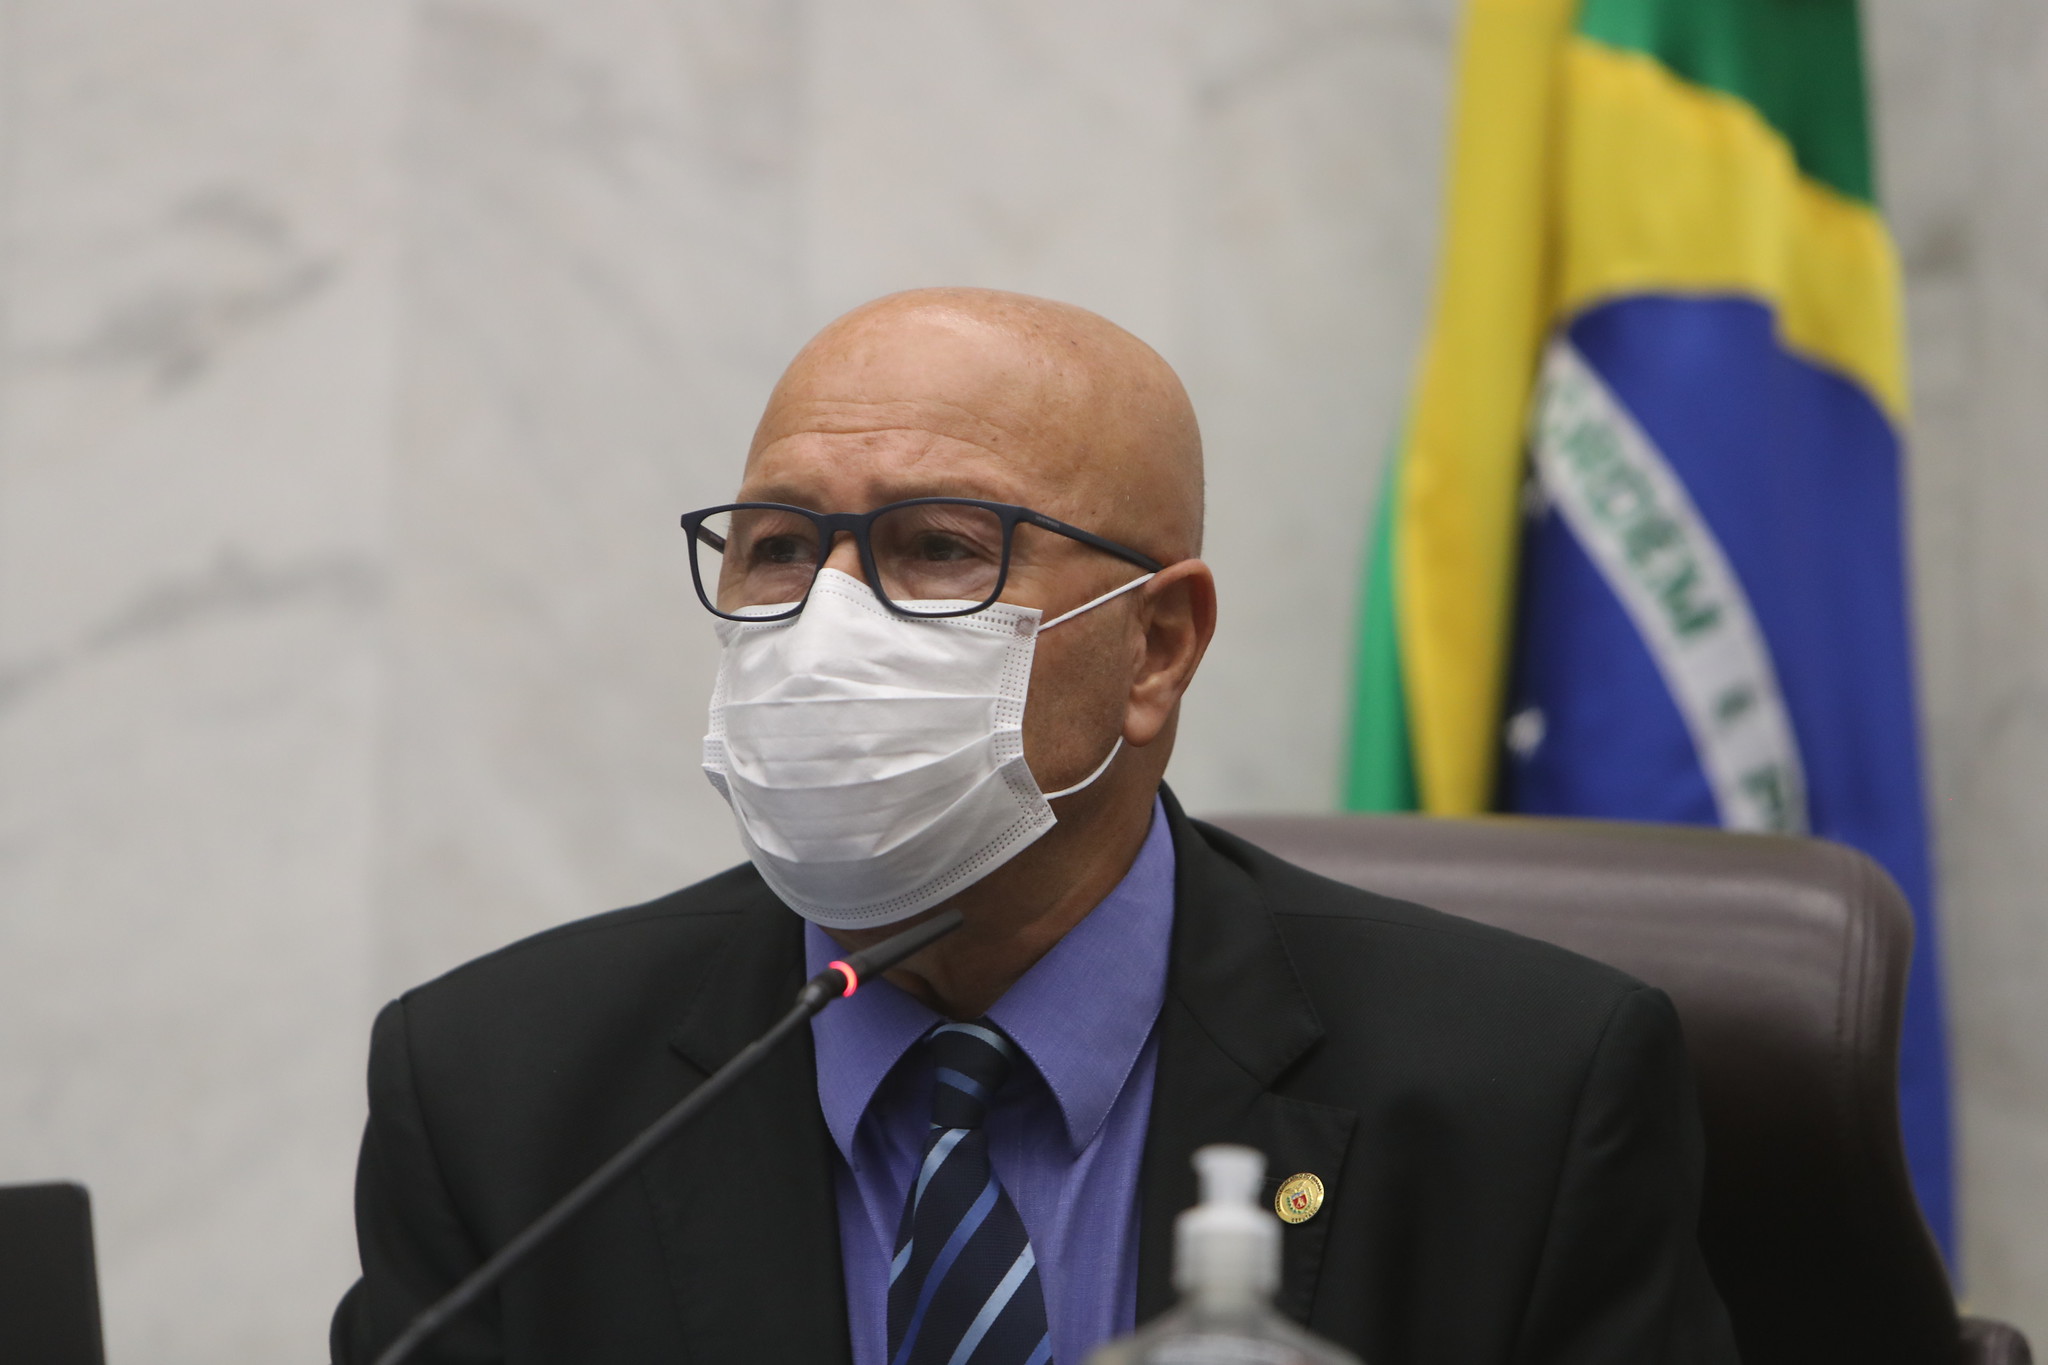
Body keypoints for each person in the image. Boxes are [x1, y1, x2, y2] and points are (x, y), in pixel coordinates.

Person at [331, 288, 1738, 1365]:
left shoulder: (1524, 1094)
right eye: (778, 546)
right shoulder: (502, 1093)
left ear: (1156, 648)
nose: (827, 620)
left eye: (940, 547)